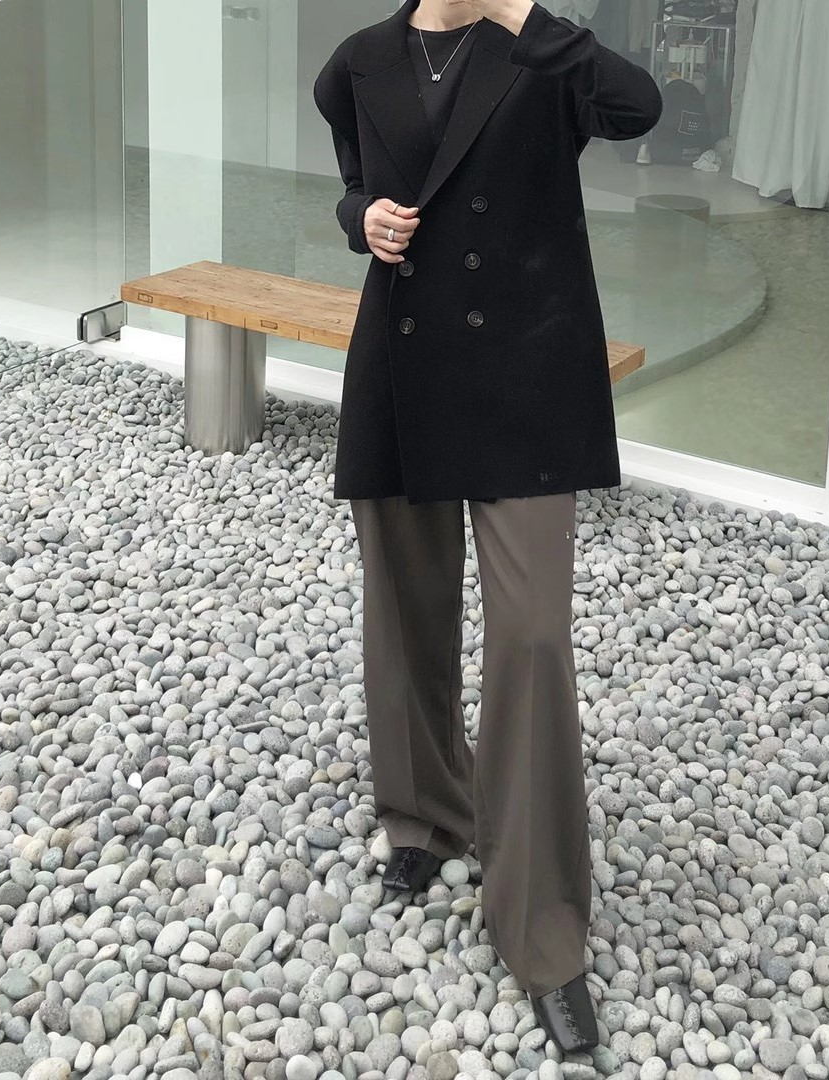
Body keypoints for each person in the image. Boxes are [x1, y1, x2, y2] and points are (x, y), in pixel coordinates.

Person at [313, 0, 662, 1053]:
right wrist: (363, 220)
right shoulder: (359, 62)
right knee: (406, 608)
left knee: (533, 635)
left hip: (528, 372)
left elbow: (638, 108)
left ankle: (542, 927)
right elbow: (354, 183)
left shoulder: (543, 50)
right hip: (403, 364)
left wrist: (521, 11)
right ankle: (427, 813)